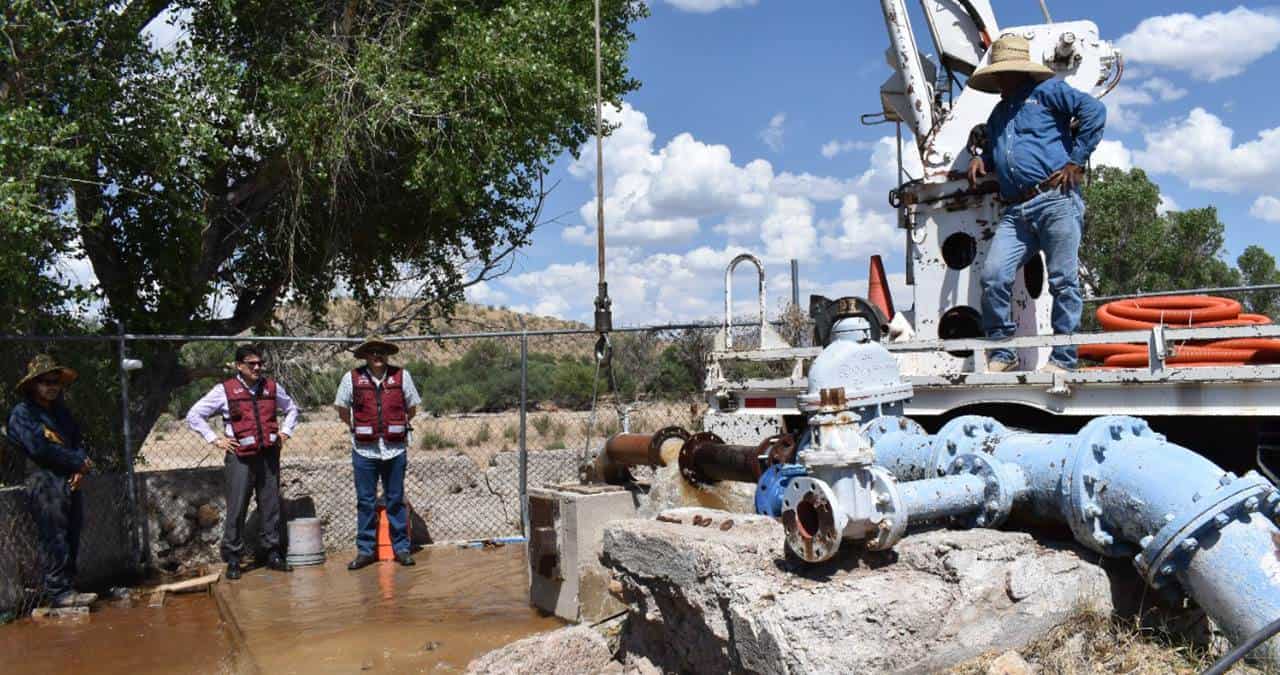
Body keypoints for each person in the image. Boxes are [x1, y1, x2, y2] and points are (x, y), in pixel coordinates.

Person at [966, 34, 1106, 373]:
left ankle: (1064, 358)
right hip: (1016, 209)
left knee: (1063, 280)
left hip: (1055, 199)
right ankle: (1002, 351)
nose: (998, 79)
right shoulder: (999, 114)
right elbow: (1000, 150)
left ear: (1017, 72)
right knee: (994, 275)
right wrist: (982, 159)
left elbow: (1094, 111)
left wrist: (1076, 160)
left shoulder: (1048, 92)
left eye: (1001, 72)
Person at [185, 345, 299, 579]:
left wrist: (285, 433)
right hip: (240, 458)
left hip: (268, 454)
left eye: (259, 363)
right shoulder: (224, 390)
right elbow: (194, 415)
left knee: (270, 506)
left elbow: (292, 409)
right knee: (237, 507)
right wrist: (215, 439)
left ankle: (273, 553)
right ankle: (234, 558)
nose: (257, 367)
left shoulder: (271, 387)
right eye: (251, 363)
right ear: (239, 366)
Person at [7, 355, 97, 608]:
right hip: (43, 480)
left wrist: (80, 466)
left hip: (68, 478)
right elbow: (39, 449)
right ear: (33, 384)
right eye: (45, 381)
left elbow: (77, 441)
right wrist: (76, 462)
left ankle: (69, 588)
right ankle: (58, 593)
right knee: (53, 535)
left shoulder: (61, 412)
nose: (51, 386)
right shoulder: (22, 414)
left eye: (55, 381)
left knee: (72, 531)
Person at [333, 336, 421, 570]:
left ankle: (401, 549)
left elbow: (411, 408)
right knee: (365, 501)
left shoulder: (402, 376)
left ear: (387, 354)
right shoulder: (351, 378)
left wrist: (394, 425)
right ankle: (365, 551)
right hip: (364, 451)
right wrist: (357, 427)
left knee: (395, 500)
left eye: (381, 351)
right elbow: (342, 409)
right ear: (365, 356)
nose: (377, 355)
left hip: (395, 449)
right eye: (372, 351)